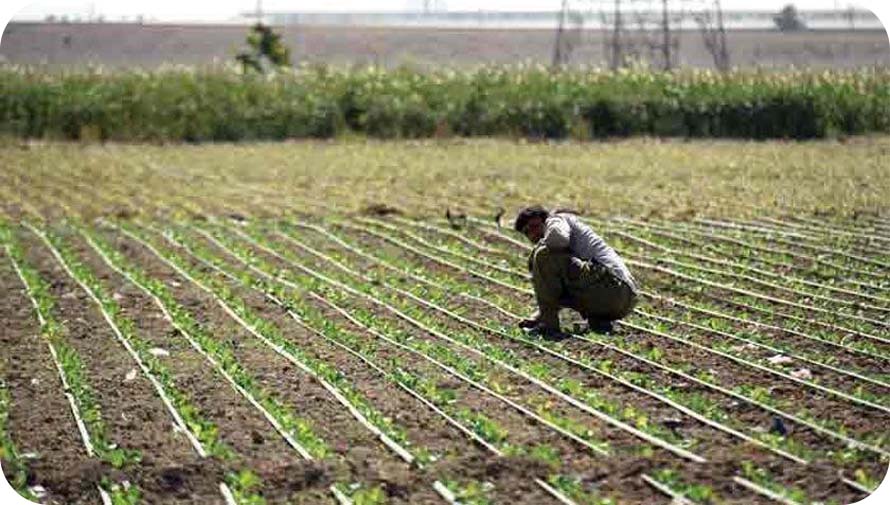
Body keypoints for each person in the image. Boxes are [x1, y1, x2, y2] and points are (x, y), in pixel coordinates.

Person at [513, 205, 638, 337]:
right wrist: (537, 316)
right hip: (621, 299)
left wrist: (536, 253)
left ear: (544, 219)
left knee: (543, 255)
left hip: (613, 287)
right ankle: (598, 321)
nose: (533, 234)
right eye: (527, 232)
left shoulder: (556, 220)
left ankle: (548, 327)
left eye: (534, 226)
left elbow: (558, 238)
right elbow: (553, 287)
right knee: (550, 269)